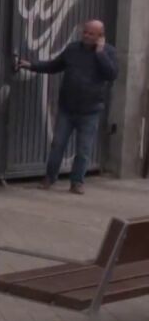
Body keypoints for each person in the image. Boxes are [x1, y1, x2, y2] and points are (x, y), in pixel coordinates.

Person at [17, 19, 118, 194]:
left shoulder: (108, 52)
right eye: (85, 32)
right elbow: (54, 66)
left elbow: (111, 74)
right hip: (67, 108)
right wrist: (31, 65)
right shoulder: (73, 49)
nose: (86, 36)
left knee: (83, 149)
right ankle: (50, 178)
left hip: (90, 110)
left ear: (100, 36)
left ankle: (77, 183)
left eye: (91, 34)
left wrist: (100, 53)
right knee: (57, 144)